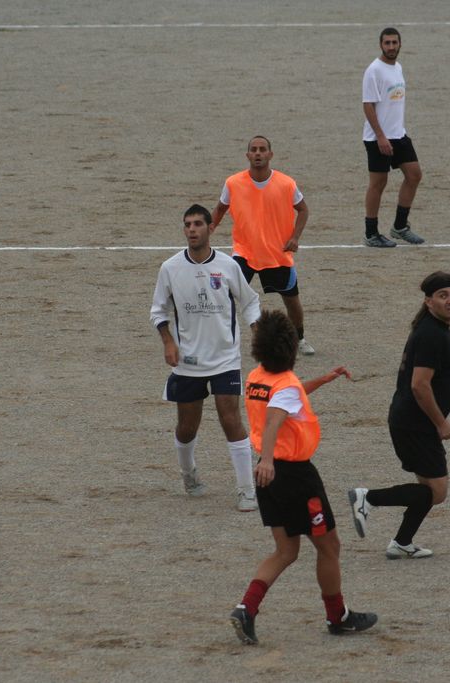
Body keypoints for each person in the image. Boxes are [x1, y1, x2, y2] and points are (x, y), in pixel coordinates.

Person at [230, 310, 377, 644]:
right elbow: (274, 419)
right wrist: (269, 459)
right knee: (329, 546)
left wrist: (322, 380)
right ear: (291, 348)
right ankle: (338, 616)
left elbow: (288, 396)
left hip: (266, 478)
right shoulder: (284, 388)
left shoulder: (257, 377)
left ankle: (246, 608)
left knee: (285, 551)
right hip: (294, 477)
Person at [151, 204, 263, 511]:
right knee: (187, 427)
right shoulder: (170, 268)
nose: (192, 229)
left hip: (225, 359)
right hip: (188, 362)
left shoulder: (228, 266)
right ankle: (189, 473)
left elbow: (250, 302)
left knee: (231, 420)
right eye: (187, 224)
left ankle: (246, 490)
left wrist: (256, 330)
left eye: (198, 224)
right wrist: (168, 342)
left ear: (210, 228)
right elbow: (158, 310)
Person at [348, 272, 450, 559]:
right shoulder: (431, 334)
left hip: (412, 422)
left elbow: (429, 374)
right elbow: (418, 385)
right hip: (416, 425)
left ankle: (401, 542)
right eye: (443, 296)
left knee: (428, 489)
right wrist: (441, 422)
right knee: (436, 492)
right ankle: (367, 498)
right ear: (429, 301)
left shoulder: (436, 328)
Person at [211, 135, 316, 356]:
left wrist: (295, 237)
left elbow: (303, 209)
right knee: (225, 296)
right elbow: (220, 208)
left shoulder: (286, 184)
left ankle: (299, 338)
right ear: (247, 155)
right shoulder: (233, 183)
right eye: (254, 149)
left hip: (277, 253)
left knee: (291, 300)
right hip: (244, 252)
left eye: (262, 149)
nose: (258, 153)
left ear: (270, 154)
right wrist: (209, 229)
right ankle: (220, 339)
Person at [362, 27, 426, 248]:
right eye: (387, 43)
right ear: (381, 45)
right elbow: (368, 105)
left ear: (400, 44)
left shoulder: (397, 67)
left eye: (394, 42)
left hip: (399, 134)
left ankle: (399, 227)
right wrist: (381, 137)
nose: (391, 47)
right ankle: (371, 233)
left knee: (414, 175)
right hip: (377, 138)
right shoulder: (374, 70)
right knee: (378, 183)